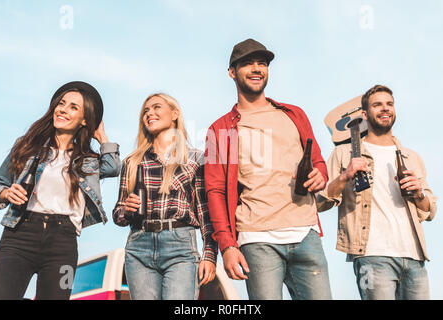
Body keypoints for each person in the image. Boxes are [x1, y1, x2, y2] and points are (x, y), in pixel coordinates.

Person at [204, 39, 332, 300]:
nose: (256, 69)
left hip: (306, 234)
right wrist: (227, 245)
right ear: (232, 72)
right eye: (247, 63)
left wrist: (321, 174)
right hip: (257, 239)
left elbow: (318, 161)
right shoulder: (220, 130)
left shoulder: (295, 114)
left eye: (262, 63)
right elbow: (215, 191)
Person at [0, 81, 121, 300]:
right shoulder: (26, 146)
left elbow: (113, 167)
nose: (63, 109)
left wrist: (102, 137)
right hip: (19, 235)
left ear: (84, 120)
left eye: (73, 107)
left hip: (63, 241)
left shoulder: (88, 162)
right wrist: (6, 193)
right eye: (61, 103)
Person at [317, 84, 437, 300]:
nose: (385, 108)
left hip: (414, 257)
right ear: (364, 114)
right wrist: (345, 176)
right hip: (372, 255)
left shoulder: (411, 157)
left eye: (389, 104)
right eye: (377, 104)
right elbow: (319, 201)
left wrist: (419, 193)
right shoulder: (344, 154)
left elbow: (430, 211)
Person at [112, 93, 218, 300]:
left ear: (175, 113)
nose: (149, 114)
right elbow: (118, 215)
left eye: (156, 107)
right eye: (145, 111)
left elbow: (206, 215)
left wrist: (210, 256)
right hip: (138, 246)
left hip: (180, 245)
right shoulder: (132, 162)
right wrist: (126, 210)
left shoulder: (196, 159)